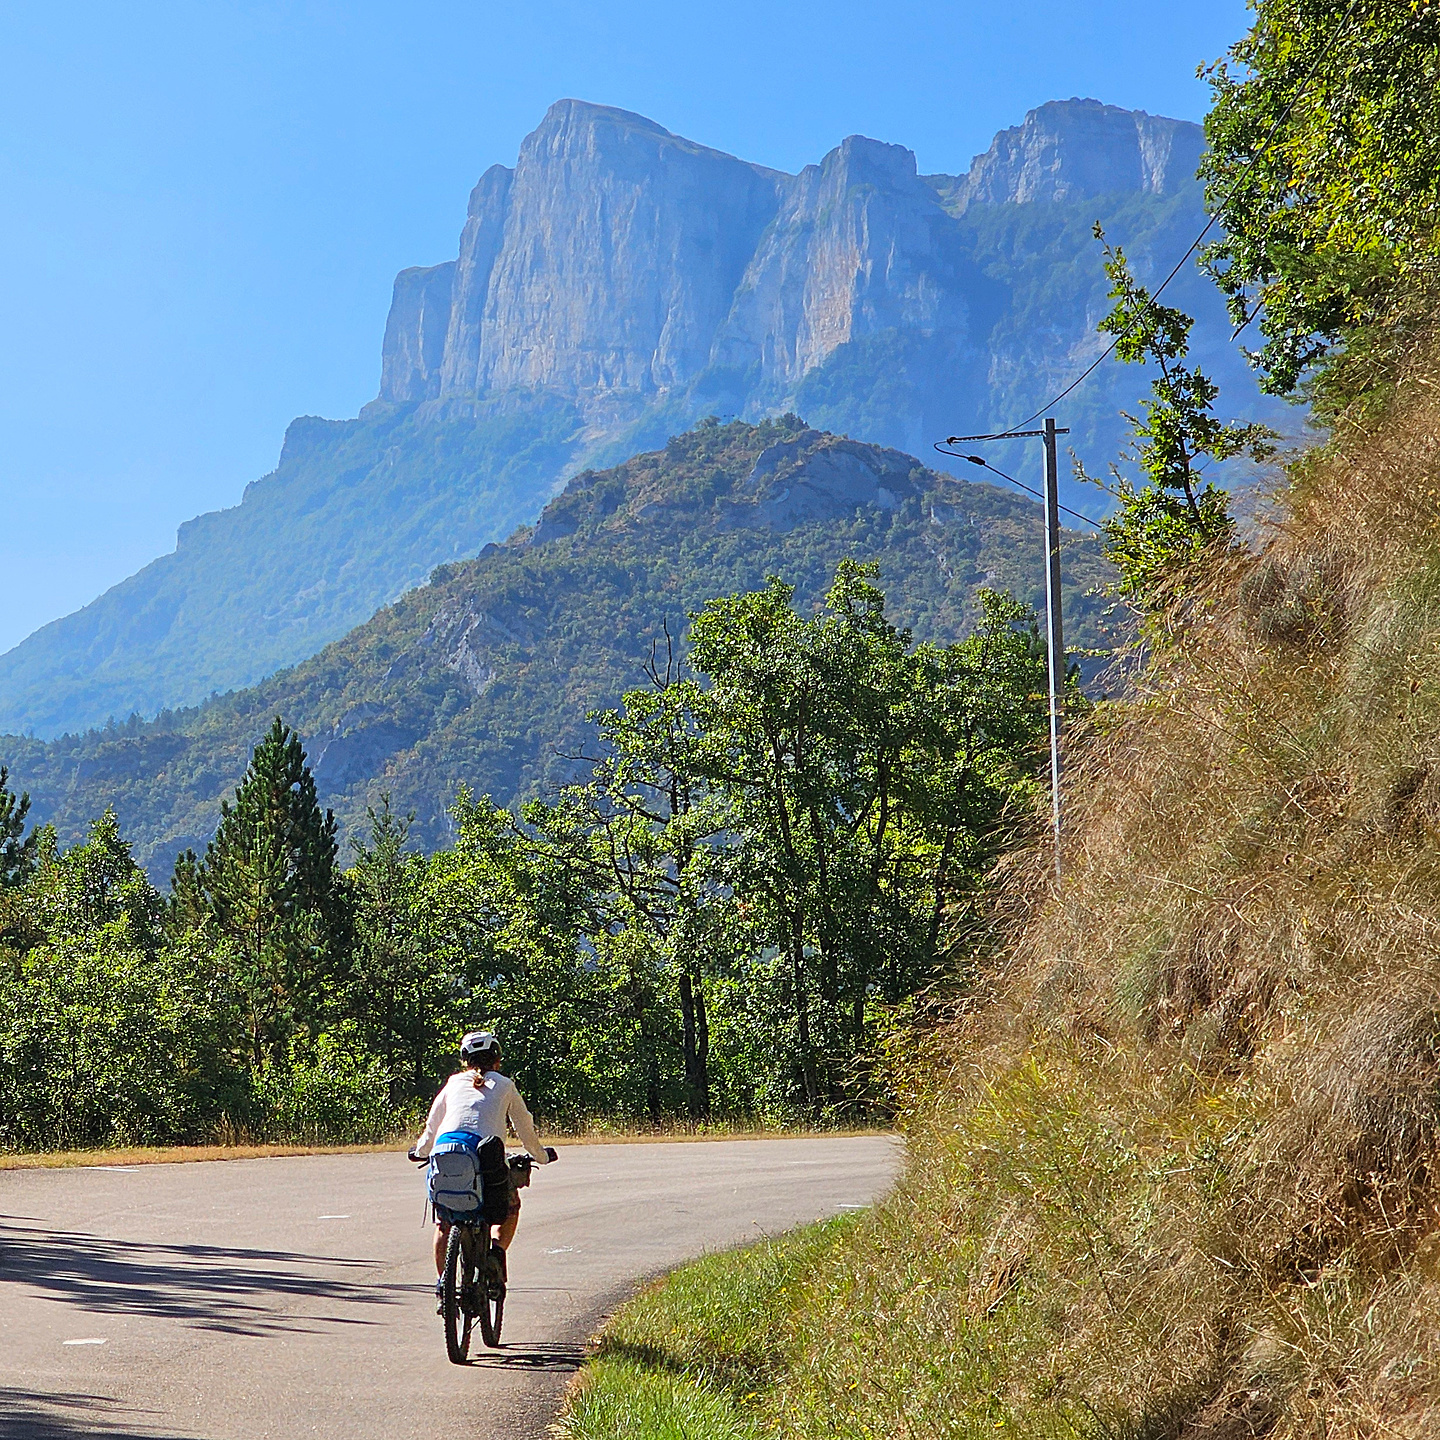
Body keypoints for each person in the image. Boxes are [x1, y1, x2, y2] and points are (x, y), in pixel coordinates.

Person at [409, 1030, 555, 1309]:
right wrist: (541, 1156)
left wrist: (420, 1152)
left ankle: (444, 1287)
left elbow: (432, 1126)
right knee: (510, 1207)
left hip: (447, 1154)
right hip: (486, 1156)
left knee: (444, 1222)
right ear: (497, 1058)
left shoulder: (452, 1083)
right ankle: (496, 1253)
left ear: (465, 1060)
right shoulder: (505, 1084)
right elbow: (525, 1127)